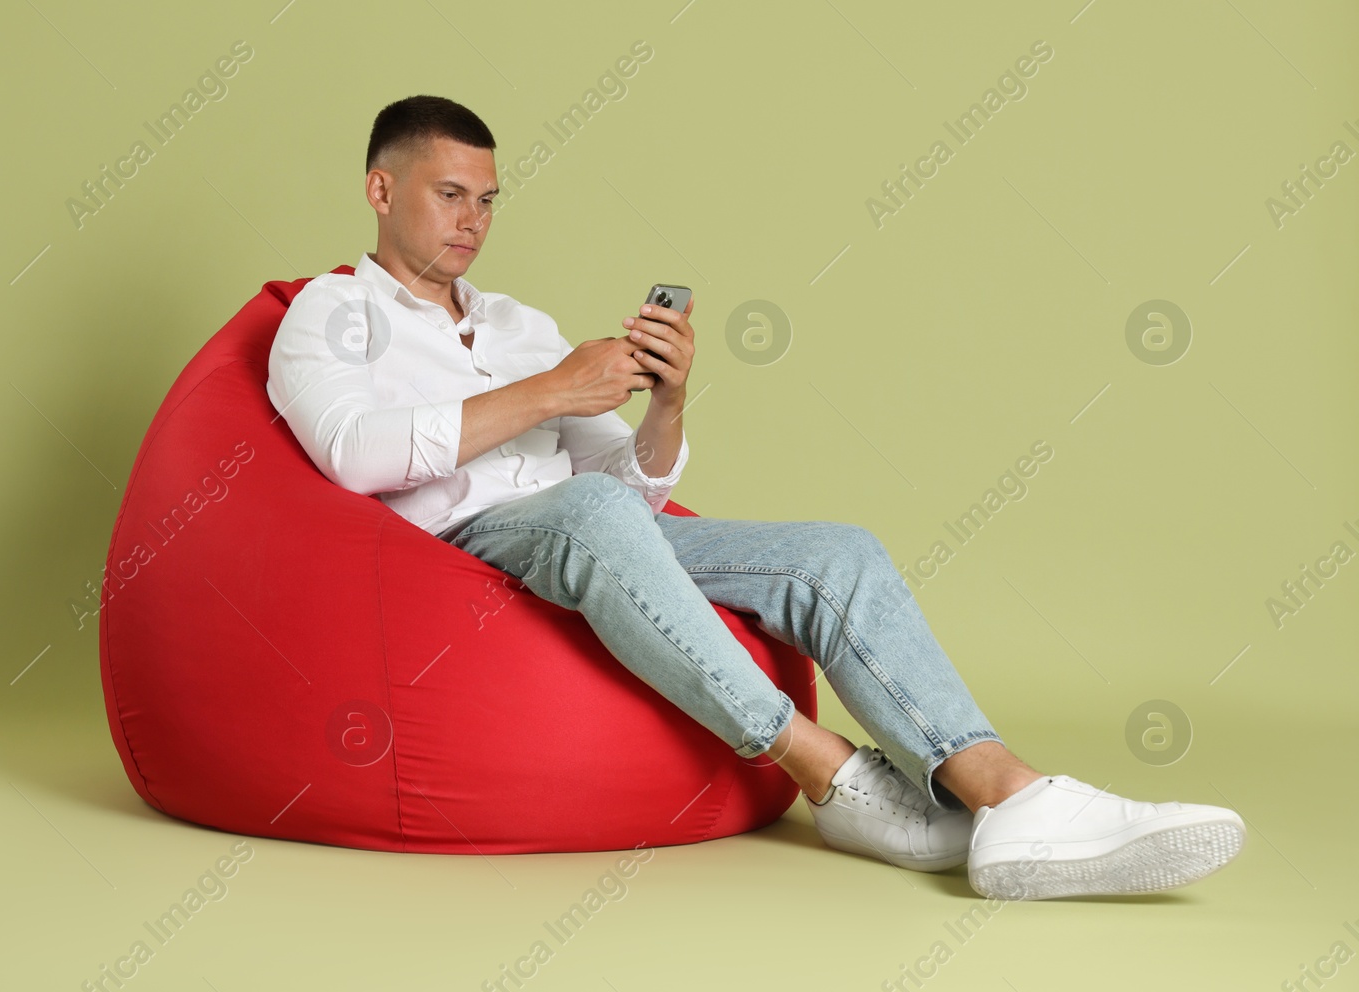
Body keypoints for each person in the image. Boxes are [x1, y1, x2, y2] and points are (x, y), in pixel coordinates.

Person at [265, 94, 1246, 900]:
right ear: (380, 189)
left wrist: (669, 398)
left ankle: (1008, 795)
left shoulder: (521, 323)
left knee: (835, 550)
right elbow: (350, 454)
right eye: (448, 194)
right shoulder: (329, 311)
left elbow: (630, 486)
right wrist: (547, 392)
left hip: (585, 531)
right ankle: (828, 768)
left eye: (486, 198)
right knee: (593, 518)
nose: (472, 220)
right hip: (454, 553)